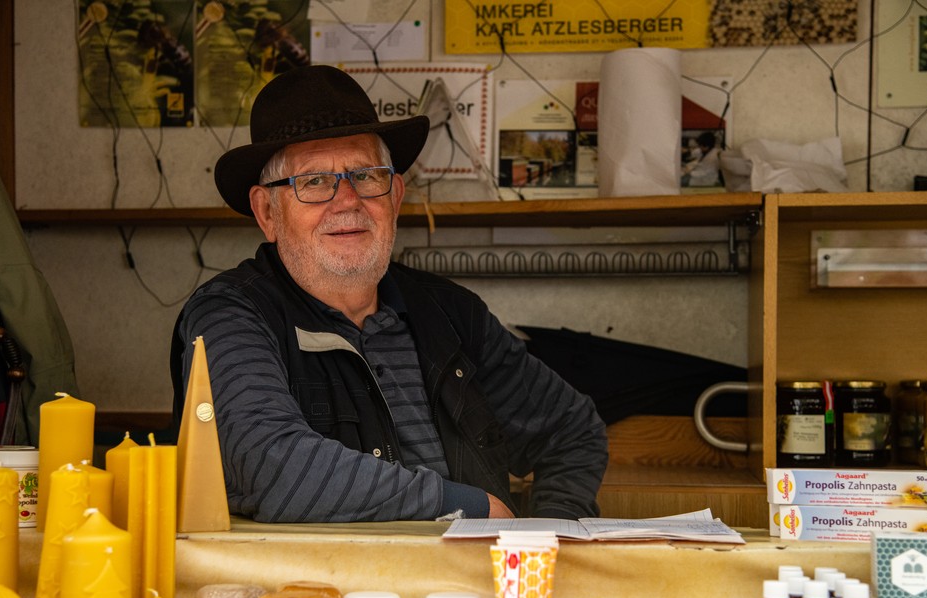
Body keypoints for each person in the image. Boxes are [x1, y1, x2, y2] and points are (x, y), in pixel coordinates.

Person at [170, 65, 608, 524]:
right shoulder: (231, 316)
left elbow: (573, 432)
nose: (347, 200)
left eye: (366, 176)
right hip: (316, 574)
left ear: (395, 197)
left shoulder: (451, 314)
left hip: (471, 573)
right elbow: (270, 465)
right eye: (314, 181)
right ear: (267, 212)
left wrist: (551, 535)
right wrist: (468, 507)